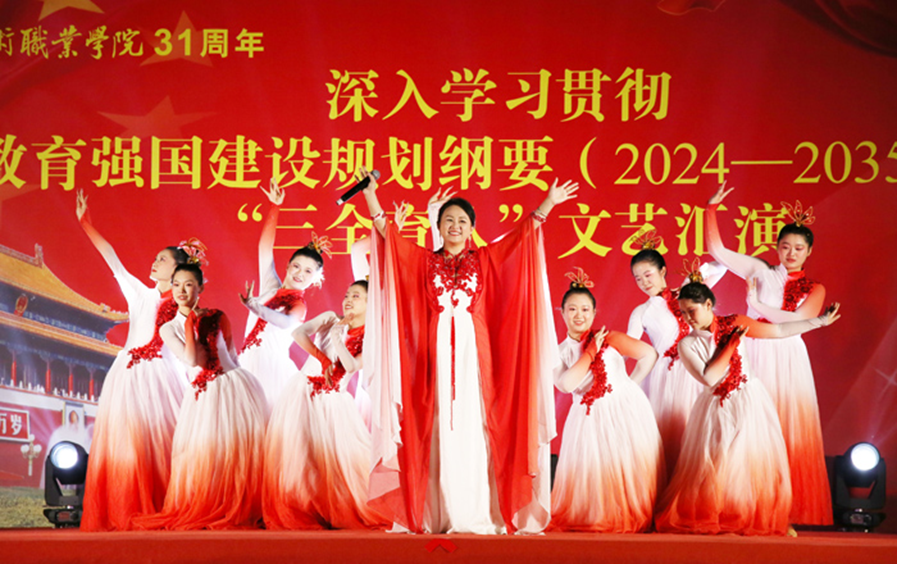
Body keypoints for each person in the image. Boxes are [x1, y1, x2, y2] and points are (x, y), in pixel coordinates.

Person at [360, 168, 577, 534]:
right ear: (438, 226)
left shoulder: (484, 260)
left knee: (475, 425)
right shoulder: (426, 261)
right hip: (434, 360)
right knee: (435, 425)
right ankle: (437, 513)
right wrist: (370, 195)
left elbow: (521, 239)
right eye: (448, 220)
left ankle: (479, 511)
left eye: (462, 220)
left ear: (472, 228)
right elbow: (389, 237)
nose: (455, 226)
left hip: (475, 357)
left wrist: (548, 204)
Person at [654, 278, 840, 535]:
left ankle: (759, 517)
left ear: (708, 304)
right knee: (718, 463)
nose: (688, 318)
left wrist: (819, 321)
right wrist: (730, 346)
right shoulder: (687, 344)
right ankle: (720, 514)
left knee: (752, 461)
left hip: (749, 400)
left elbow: (777, 331)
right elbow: (709, 378)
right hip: (716, 407)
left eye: (692, 311)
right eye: (683, 312)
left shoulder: (735, 323)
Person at [706, 183, 832, 525]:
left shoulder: (815, 288)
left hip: (788, 356)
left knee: (788, 424)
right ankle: (747, 505)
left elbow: (797, 322)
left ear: (808, 251)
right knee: (748, 423)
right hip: (753, 349)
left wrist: (757, 305)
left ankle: (785, 512)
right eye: (785, 246)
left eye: (799, 248)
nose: (791, 253)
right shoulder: (760, 271)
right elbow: (717, 250)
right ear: (776, 247)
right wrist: (711, 209)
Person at [75, 190, 189, 531]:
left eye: (162, 260)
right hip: (128, 376)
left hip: (164, 376)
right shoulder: (141, 294)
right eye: (155, 258)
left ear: (177, 268)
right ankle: (127, 509)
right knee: (129, 444)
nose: (155, 263)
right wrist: (86, 224)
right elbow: (112, 259)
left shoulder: (186, 303)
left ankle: (166, 505)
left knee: (164, 442)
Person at [135, 262, 268, 530]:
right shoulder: (168, 328)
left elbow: (231, 353)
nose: (181, 291)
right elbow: (192, 359)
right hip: (205, 395)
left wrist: (240, 384)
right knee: (209, 454)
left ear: (200, 288)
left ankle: (240, 507)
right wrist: (190, 324)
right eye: (176, 285)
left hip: (234, 386)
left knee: (238, 452)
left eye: (188, 285)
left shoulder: (217, 315)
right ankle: (213, 506)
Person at [262, 280, 388, 530]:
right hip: (303, 391)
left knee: (336, 459)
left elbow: (351, 366)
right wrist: (322, 358)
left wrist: (338, 339)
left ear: (370, 303)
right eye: (347, 295)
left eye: (356, 296)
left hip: (333, 401)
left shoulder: (372, 338)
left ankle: (335, 509)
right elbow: (298, 333)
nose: (348, 300)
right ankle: (304, 508)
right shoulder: (331, 318)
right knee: (300, 454)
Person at [551, 269, 664, 533]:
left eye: (585, 310)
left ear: (594, 313)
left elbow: (649, 354)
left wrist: (629, 385)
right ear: (562, 312)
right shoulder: (558, 352)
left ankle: (632, 514)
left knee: (628, 464)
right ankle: (600, 516)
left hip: (624, 410)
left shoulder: (610, 337)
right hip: (588, 417)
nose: (579, 315)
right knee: (595, 468)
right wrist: (590, 351)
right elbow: (566, 384)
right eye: (572, 309)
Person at [627, 233, 725, 472]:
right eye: (638, 279)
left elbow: (722, 266)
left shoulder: (687, 294)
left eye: (648, 275)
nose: (644, 282)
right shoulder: (641, 311)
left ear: (662, 271)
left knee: (699, 430)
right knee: (669, 433)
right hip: (664, 375)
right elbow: (630, 345)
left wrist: (698, 274)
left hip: (697, 369)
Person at [238, 179, 325, 412]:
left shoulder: (299, 305)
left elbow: (285, 322)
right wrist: (275, 207)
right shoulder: (271, 285)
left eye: (308, 272)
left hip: (271, 369)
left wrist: (256, 308)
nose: (300, 274)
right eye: (296, 266)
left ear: (315, 279)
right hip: (246, 360)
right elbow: (264, 249)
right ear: (287, 265)